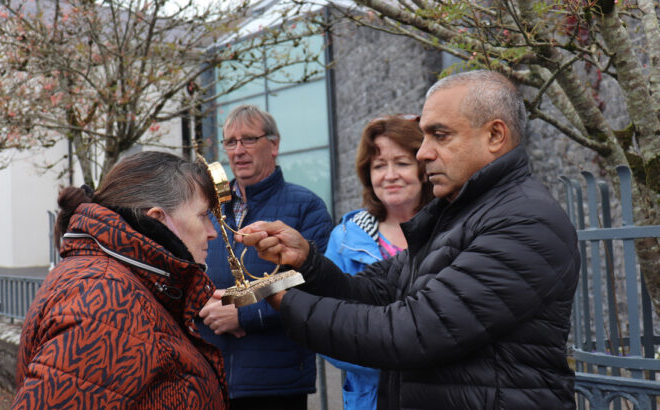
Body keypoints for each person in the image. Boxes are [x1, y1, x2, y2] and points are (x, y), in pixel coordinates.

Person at [238, 70, 580, 409]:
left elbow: (412, 331)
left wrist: (282, 298)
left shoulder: (525, 221)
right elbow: (374, 292)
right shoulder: (457, 215)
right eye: (425, 137)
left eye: (440, 136)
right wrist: (307, 263)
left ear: (494, 135)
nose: (422, 153)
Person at [14, 151, 227, 409]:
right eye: (203, 216)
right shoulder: (107, 300)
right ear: (157, 218)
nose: (212, 232)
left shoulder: (121, 282)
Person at [197, 104, 332, 410]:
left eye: (248, 139)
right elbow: (187, 270)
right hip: (211, 376)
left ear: (274, 145)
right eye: (230, 142)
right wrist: (203, 302)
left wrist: (240, 310)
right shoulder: (209, 209)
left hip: (276, 382)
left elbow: (302, 281)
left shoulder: (306, 207)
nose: (238, 150)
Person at [323, 114, 433, 410]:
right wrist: (392, 362)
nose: (390, 175)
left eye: (402, 163)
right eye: (379, 165)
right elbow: (327, 327)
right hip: (371, 399)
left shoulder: (449, 229)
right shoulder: (344, 239)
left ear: (423, 170)